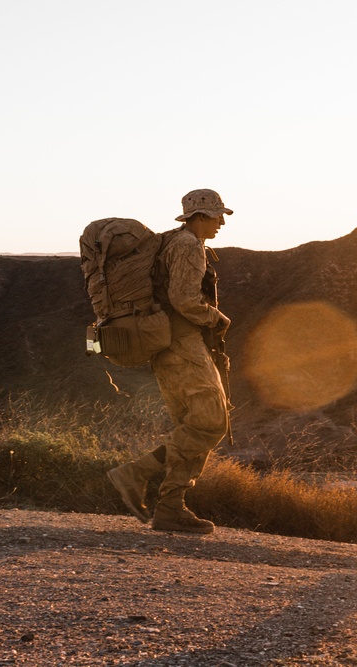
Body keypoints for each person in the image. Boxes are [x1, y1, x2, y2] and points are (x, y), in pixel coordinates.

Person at [107, 188, 233, 534]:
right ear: (201, 216)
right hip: (182, 344)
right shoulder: (189, 246)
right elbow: (184, 299)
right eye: (217, 215)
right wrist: (216, 318)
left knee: (191, 427)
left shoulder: (168, 241)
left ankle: (170, 508)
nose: (221, 222)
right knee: (211, 423)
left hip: (165, 348)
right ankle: (136, 474)